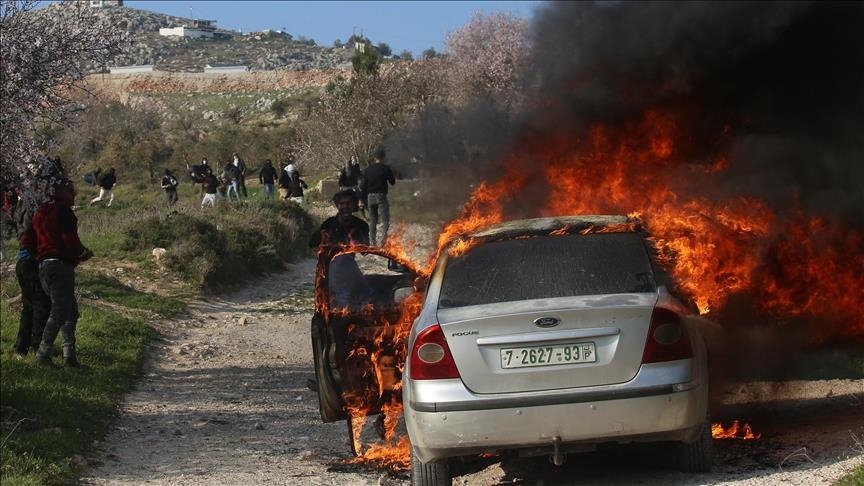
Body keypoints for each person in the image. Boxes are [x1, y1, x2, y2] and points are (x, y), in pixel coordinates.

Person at [32, 178, 93, 367]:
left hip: (43, 265)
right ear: (59, 191)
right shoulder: (63, 211)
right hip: (60, 266)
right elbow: (70, 241)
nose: (74, 194)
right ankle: (43, 354)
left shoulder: (40, 210)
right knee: (59, 311)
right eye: (70, 190)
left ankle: (70, 357)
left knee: (70, 311)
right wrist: (83, 253)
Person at [12, 195, 51, 357]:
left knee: (30, 306)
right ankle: (36, 348)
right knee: (41, 304)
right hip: (30, 261)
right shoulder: (32, 207)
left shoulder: (22, 205)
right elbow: (29, 237)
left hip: (25, 261)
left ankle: (22, 347)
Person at [360, 148, 395, 246]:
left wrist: (361, 200)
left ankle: (372, 242)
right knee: (385, 220)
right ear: (384, 157)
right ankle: (382, 242)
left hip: (369, 197)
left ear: (375, 158)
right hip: (381, 196)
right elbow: (392, 182)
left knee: (373, 220)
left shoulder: (368, 169)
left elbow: (363, 186)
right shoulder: (385, 168)